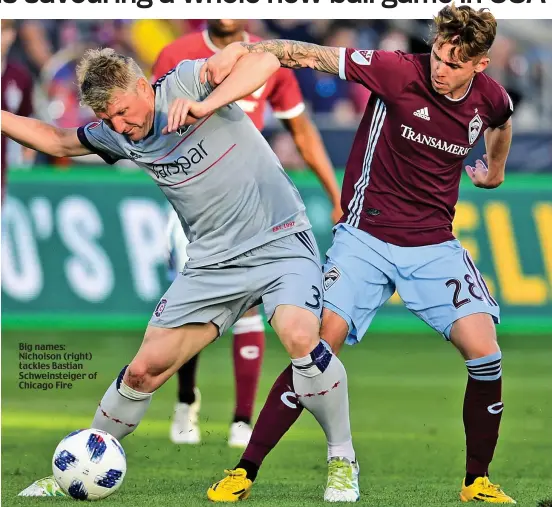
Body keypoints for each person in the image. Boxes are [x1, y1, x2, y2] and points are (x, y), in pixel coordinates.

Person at [8, 47, 358, 503]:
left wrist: (206, 104)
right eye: (106, 119)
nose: (118, 126)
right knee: (143, 371)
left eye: (121, 112)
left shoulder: (187, 83)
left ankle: (341, 458)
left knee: (298, 336)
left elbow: (266, 64)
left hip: (279, 242)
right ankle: (78, 465)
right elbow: (56, 141)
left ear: (140, 87)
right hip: (212, 263)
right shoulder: (122, 135)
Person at [201, 4, 515, 504]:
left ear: (479, 64)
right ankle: (245, 469)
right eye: (437, 53)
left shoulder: (490, 96)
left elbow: (502, 118)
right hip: (364, 237)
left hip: (434, 244)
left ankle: (476, 482)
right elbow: (301, 53)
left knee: (486, 357)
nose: (439, 67)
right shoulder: (396, 71)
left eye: (454, 62)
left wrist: (494, 171)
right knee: (317, 350)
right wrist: (246, 47)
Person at [153, 19, 342, 448]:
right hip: (195, 201)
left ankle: (242, 418)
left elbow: (301, 129)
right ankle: (186, 399)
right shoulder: (177, 52)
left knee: (253, 303)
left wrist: (335, 192)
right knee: (192, 305)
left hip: (250, 198)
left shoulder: (264, 55)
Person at [1, 19, 34, 201]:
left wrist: (25, 155)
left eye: (3, 31)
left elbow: (27, 117)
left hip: (5, 170)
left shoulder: (20, 76)